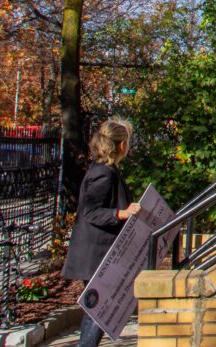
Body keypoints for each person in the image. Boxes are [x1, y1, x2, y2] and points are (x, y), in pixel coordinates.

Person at [62, 118, 142, 347]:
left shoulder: (105, 170)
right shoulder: (104, 174)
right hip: (95, 252)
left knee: (98, 310)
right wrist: (122, 213)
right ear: (121, 145)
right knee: (98, 309)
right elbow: (91, 212)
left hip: (97, 252)